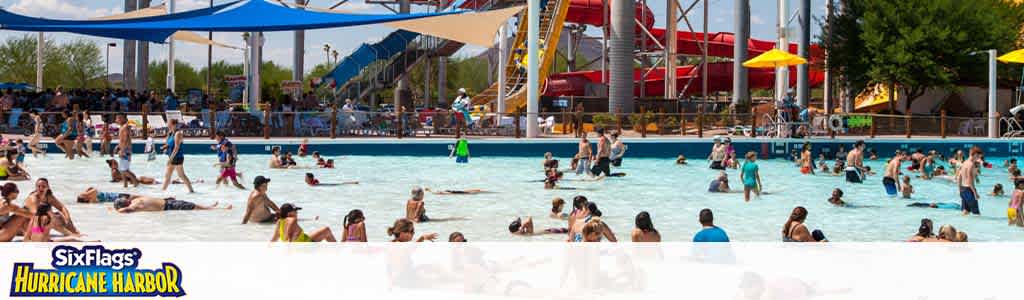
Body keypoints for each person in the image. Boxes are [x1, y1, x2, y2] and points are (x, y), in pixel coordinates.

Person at [24, 203, 92, 242]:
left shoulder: (34, 218)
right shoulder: (47, 218)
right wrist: (73, 235)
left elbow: (30, 234)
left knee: (71, 238)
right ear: (48, 210)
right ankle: (88, 243)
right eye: (51, 209)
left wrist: (72, 234)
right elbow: (59, 228)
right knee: (72, 240)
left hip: (33, 243)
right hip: (44, 244)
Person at [270, 203, 336, 242]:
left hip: (302, 241)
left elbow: (274, 239)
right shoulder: (292, 220)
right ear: (289, 213)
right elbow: (290, 234)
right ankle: (339, 251)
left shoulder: (279, 222)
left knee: (313, 233)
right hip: (306, 247)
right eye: (295, 211)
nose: (297, 212)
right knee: (327, 230)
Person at [161, 119, 194, 193]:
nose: (167, 125)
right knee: (173, 175)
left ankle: (162, 191)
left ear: (173, 125)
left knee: (178, 175)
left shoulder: (178, 134)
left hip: (177, 157)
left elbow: (176, 147)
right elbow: (169, 143)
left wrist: (170, 159)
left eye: (168, 123)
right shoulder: (170, 133)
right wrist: (164, 147)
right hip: (173, 156)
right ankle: (162, 191)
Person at [113, 196, 230, 213]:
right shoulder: (134, 205)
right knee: (194, 207)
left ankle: (211, 207)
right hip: (169, 206)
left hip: (169, 203)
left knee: (194, 206)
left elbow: (152, 200)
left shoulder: (135, 201)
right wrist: (118, 211)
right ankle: (221, 209)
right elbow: (127, 211)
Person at [115, 114, 140, 188]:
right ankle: (125, 184)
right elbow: (122, 140)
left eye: (117, 118)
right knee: (123, 169)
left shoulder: (125, 127)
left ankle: (135, 182)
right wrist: (118, 146)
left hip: (125, 150)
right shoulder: (123, 127)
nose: (116, 120)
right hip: (125, 149)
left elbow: (125, 140)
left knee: (124, 170)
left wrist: (122, 150)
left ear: (122, 118)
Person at [956, 146, 983, 215]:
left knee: (965, 212)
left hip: (962, 189)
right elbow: (970, 180)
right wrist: (975, 193)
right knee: (976, 214)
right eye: (978, 157)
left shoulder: (964, 163)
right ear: (975, 155)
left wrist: (959, 190)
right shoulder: (971, 165)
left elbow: (959, 177)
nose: (979, 158)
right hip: (969, 190)